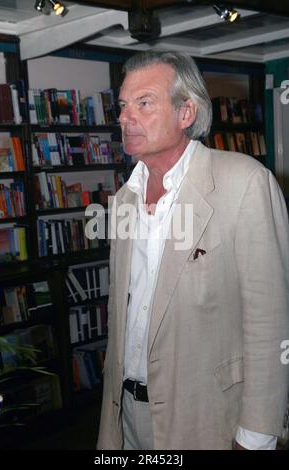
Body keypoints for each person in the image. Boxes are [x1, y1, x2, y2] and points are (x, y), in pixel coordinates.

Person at [97, 51, 289, 450]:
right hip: (125, 418)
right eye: (122, 105)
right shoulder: (123, 200)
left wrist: (256, 436)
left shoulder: (244, 183)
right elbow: (124, 314)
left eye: (144, 103)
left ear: (186, 113)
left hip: (208, 420)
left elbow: (271, 321)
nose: (124, 117)